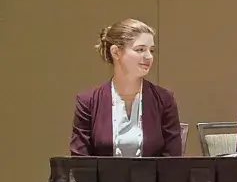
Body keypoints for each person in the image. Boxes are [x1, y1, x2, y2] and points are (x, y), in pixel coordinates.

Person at [70, 19, 182, 157]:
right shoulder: (88, 101)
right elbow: (80, 162)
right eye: (140, 49)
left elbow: (173, 160)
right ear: (116, 52)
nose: (149, 56)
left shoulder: (165, 100)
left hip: (151, 179)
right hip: (102, 179)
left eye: (151, 50)